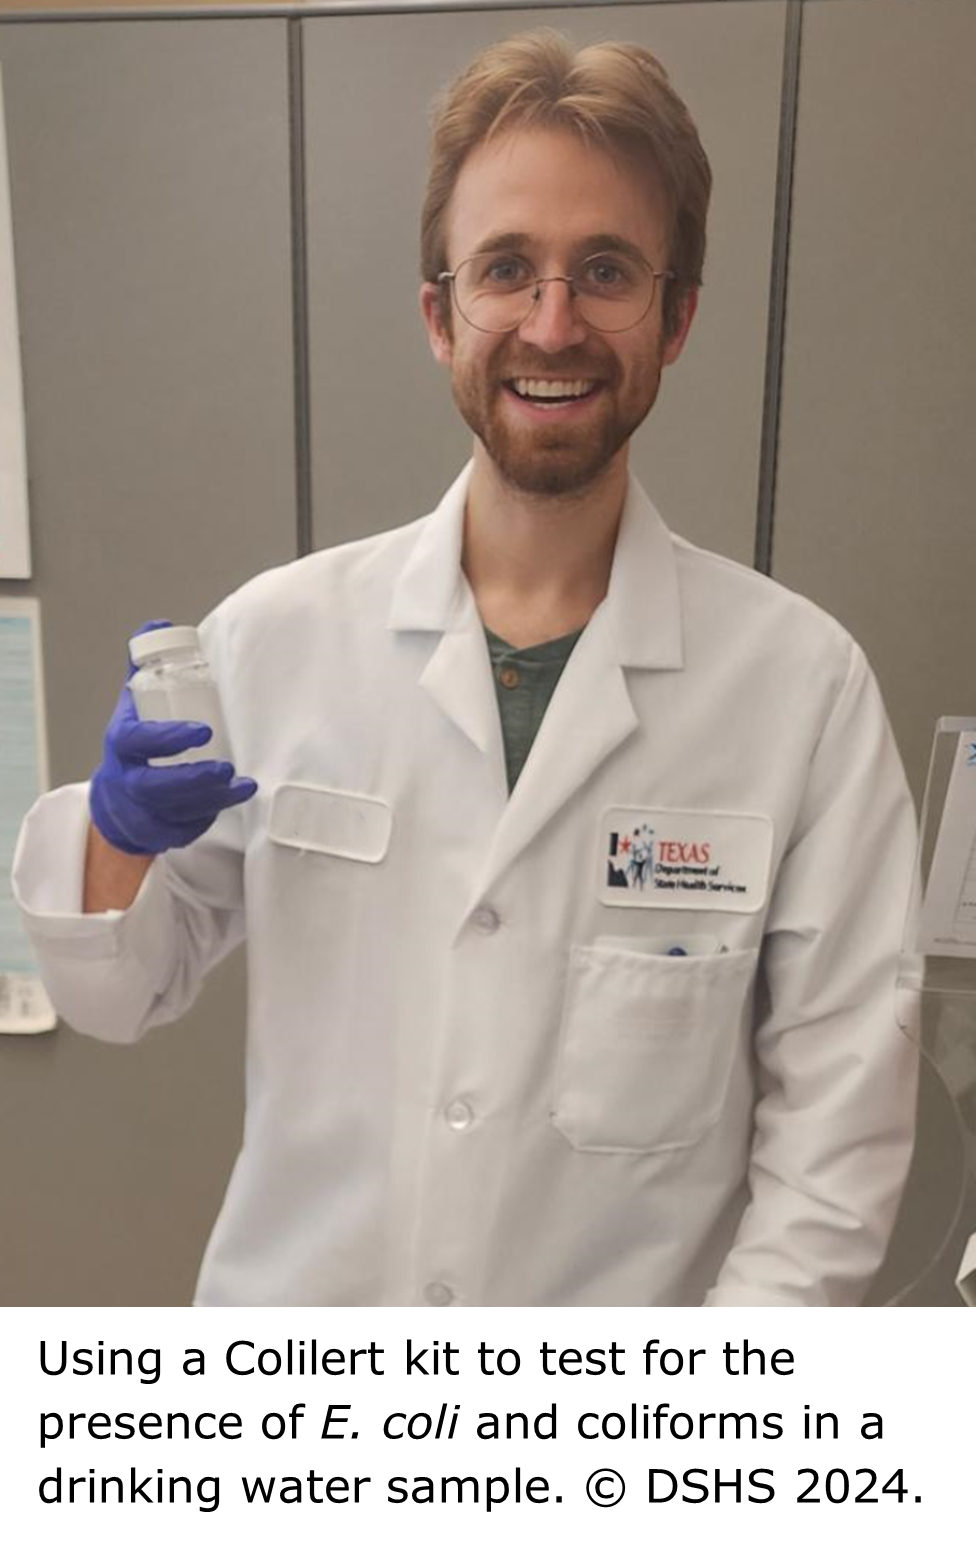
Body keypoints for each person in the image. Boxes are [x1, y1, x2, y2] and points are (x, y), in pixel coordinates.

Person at [12, 30, 918, 1307]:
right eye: (507, 270)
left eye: (604, 270)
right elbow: (117, 993)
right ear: (442, 316)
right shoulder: (277, 640)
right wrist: (115, 841)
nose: (553, 324)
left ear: (675, 318)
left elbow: (835, 1148)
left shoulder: (798, 690)